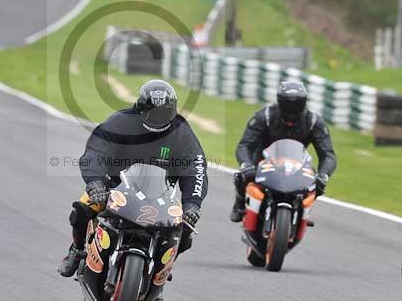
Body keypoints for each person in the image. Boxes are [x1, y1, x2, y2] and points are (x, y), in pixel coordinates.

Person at [58, 79, 208, 277]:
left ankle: (163, 267)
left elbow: (196, 168)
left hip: (162, 196)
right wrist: (95, 183)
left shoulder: (182, 132)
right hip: (115, 188)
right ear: (139, 107)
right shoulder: (120, 122)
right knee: (82, 209)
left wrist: (192, 204)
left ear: (172, 111)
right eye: (151, 110)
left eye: (163, 112)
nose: (157, 117)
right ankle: (76, 251)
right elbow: (96, 151)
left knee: (185, 229)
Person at [230, 79, 337, 223]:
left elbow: (328, 155)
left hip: (298, 165)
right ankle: (240, 204)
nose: (291, 115)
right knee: (241, 176)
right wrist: (246, 165)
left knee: (318, 185)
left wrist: (323, 175)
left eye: (295, 106)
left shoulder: (314, 122)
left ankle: (303, 213)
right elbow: (244, 145)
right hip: (263, 162)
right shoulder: (264, 117)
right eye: (287, 106)